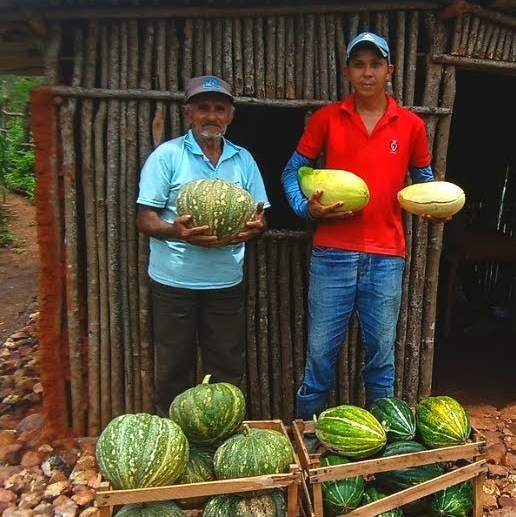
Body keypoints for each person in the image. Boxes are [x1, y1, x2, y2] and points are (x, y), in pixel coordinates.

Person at [281, 31, 442, 420]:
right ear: (348, 71)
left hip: (387, 255)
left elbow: (425, 179)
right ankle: (309, 438)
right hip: (332, 253)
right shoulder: (326, 119)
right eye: (359, 64)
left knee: (382, 357)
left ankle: (382, 442)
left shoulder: (410, 125)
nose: (367, 72)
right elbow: (292, 171)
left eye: (375, 64)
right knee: (320, 354)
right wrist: (306, 208)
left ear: (389, 70)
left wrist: (436, 204)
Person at [135, 74, 267, 412]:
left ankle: (221, 437)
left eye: (220, 108)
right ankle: (172, 438)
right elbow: (144, 218)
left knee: (226, 366)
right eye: (203, 108)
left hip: (225, 281)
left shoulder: (244, 160)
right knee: (173, 366)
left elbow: (260, 217)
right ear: (187, 113)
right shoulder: (167, 157)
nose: (212, 115)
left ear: (230, 115)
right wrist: (176, 232)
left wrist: (253, 229)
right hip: (173, 281)